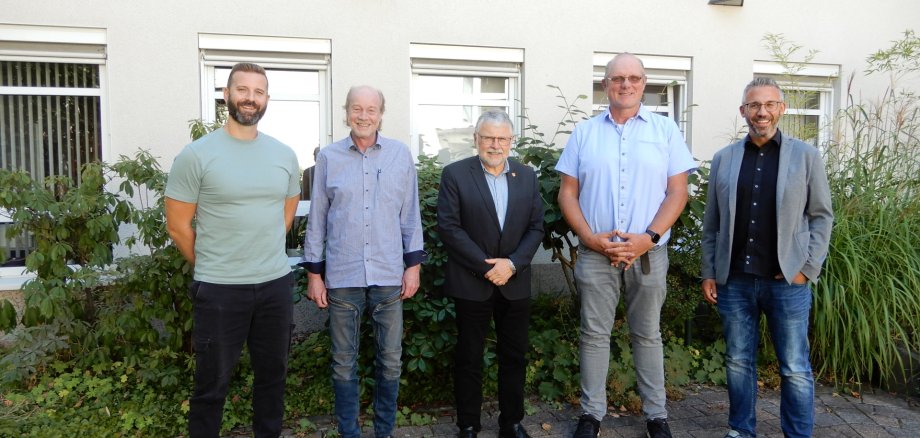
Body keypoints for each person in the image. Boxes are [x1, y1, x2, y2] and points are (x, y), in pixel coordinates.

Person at [555, 53, 696, 438]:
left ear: (644, 83)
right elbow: (568, 194)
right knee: (594, 334)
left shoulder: (665, 130)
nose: (626, 84)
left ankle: (656, 416)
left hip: (648, 253)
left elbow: (677, 192)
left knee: (648, 333)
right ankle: (592, 415)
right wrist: (588, 237)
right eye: (617, 78)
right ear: (605, 85)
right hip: (596, 252)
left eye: (634, 78)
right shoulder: (585, 132)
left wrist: (647, 238)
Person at [165, 62, 301, 438]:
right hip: (220, 288)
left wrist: (261, 249)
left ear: (267, 99)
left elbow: (287, 208)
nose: (250, 99)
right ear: (226, 95)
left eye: (258, 92)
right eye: (242, 90)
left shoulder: (283, 154)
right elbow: (178, 227)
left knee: (272, 380)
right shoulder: (196, 155)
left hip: (274, 284)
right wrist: (214, 262)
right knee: (211, 386)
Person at [700, 77, 833, 438]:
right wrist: (709, 271)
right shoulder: (724, 159)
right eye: (754, 105)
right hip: (736, 280)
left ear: (781, 109)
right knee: (739, 363)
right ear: (743, 110)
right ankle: (741, 430)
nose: (762, 112)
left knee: (794, 367)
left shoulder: (805, 156)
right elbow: (712, 222)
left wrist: (808, 267)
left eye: (769, 104)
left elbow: (821, 216)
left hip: (787, 281)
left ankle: (798, 434)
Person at [301, 85, 426, 438]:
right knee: (343, 363)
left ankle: (383, 431)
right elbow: (318, 219)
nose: (364, 115)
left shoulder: (400, 155)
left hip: (389, 274)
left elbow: (410, 214)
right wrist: (314, 273)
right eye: (357, 108)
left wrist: (413, 265)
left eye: (371, 109)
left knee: (390, 360)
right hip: (342, 276)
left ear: (381, 114)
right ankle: (350, 433)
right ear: (346, 112)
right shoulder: (328, 158)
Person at [437, 111, 545, 438]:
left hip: (515, 282)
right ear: (476, 139)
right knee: (469, 357)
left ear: (511, 142)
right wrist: (489, 267)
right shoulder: (455, 174)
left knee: (514, 356)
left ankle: (511, 423)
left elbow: (536, 226)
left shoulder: (527, 176)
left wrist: (511, 264)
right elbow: (449, 228)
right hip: (472, 281)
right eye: (488, 137)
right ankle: (468, 425)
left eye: (501, 139)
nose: (494, 145)